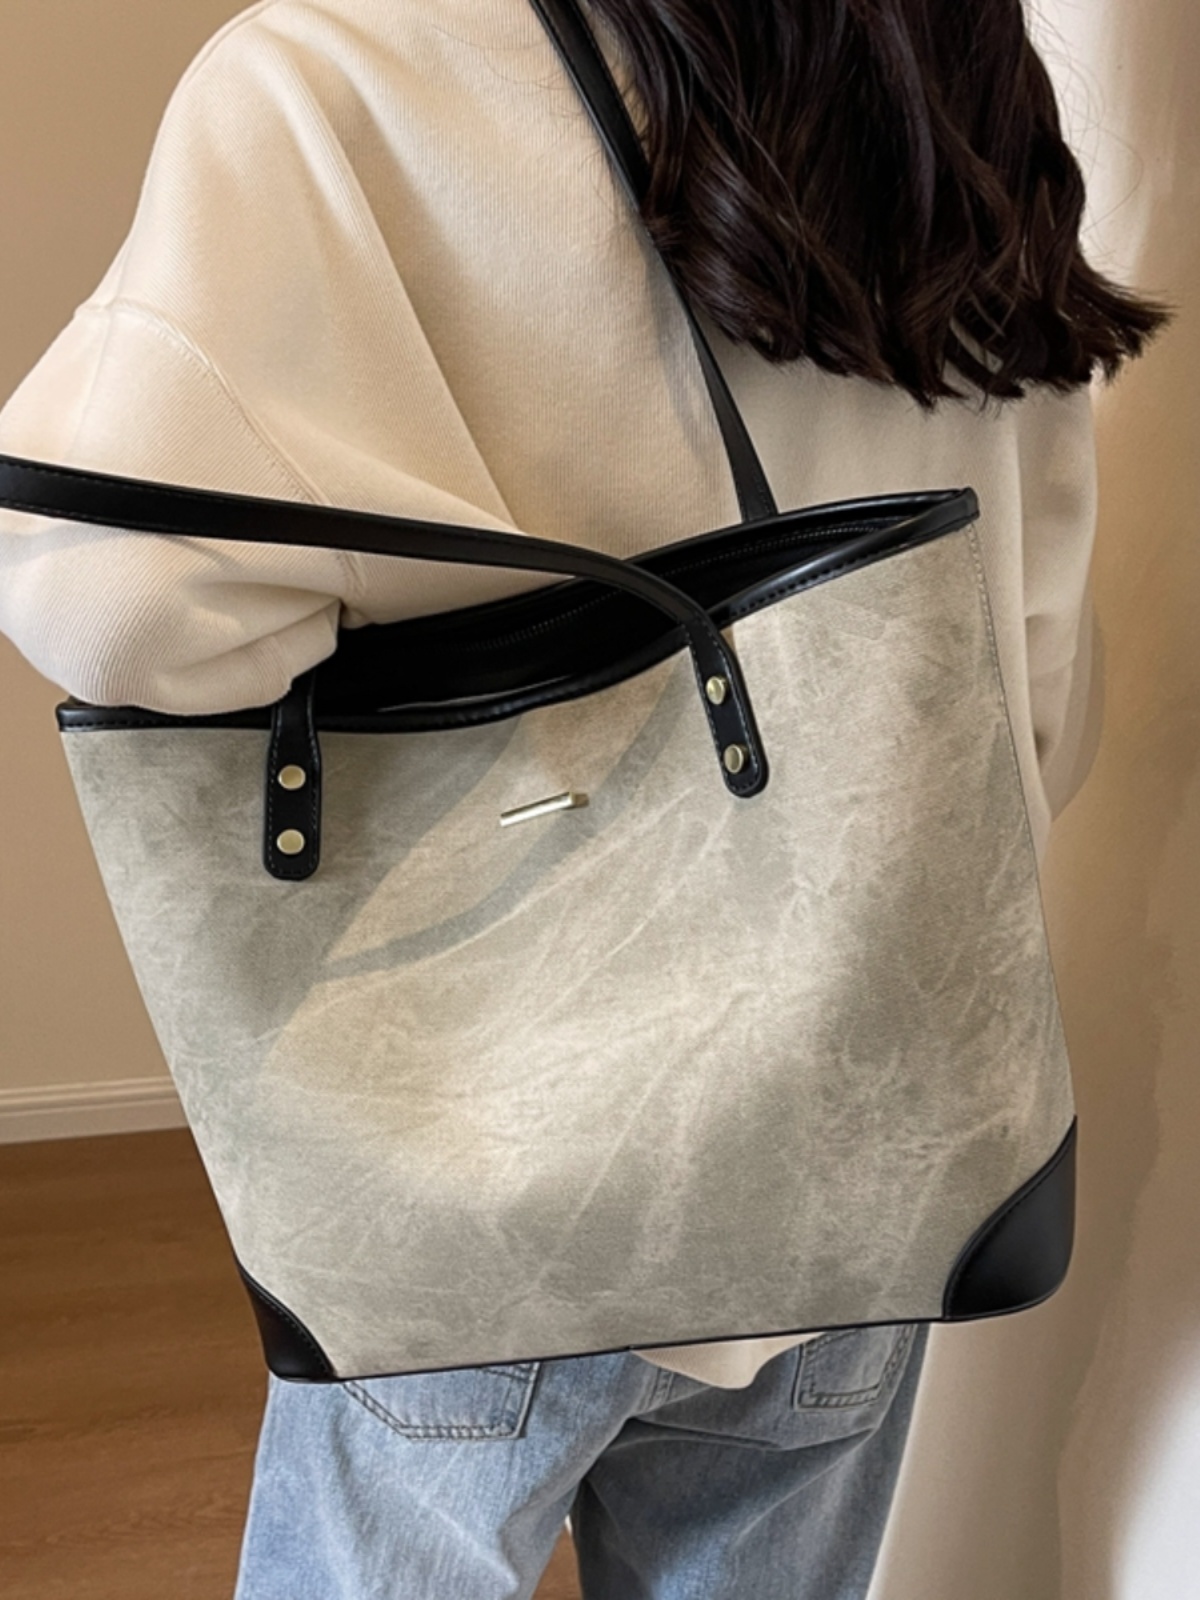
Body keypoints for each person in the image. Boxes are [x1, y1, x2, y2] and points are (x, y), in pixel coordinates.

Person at [0, 1, 1171, 1595]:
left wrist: (429, 665)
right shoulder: (935, 72)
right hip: (859, 1135)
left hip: (498, 1149)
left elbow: (116, 598)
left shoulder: (340, 74)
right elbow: (1035, 683)